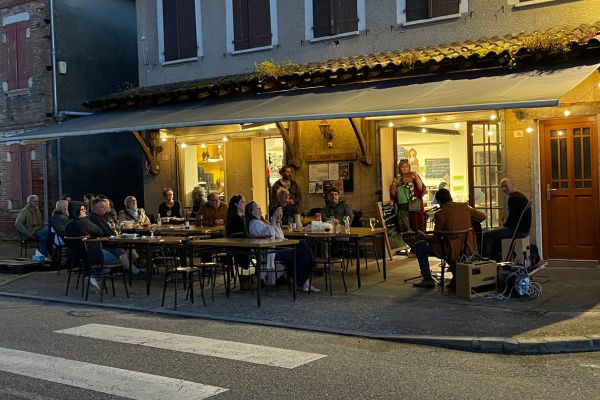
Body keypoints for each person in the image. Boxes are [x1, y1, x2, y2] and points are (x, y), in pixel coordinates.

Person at [412, 188, 487, 289]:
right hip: (467, 246)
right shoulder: (464, 207)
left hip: (449, 248)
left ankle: (428, 280)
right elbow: (483, 216)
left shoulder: (440, 214)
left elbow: (436, 239)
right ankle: (456, 276)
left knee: (419, 246)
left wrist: (424, 236)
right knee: (450, 246)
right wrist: (469, 224)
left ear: (439, 201)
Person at [246, 201, 319, 292]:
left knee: (302, 246)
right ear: (251, 212)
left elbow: (280, 236)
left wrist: (277, 221)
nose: (260, 208)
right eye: (257, 207)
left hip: (274, 249)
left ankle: (304, 279)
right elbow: (270, 236)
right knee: (302, 247)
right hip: (269, 252)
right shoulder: (254, 224)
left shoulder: (261, 222)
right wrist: (273, 218)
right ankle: (305, 279)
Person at [481, 177, 531, 260]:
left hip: (518, 231)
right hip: (523, 230)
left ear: (512, 185)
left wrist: (504, 224)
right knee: (493, 233)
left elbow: (512, 218)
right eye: (501, 186)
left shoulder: (513, 198)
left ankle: (486, 260)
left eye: (505, 186)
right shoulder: (520, 196)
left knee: (485, 235)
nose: (503, 189)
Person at [88, 198, 141, 276]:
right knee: (120, 250)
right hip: (101, 245)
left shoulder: (101, 217)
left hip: (107, 242)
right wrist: (114, 235)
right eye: (102, 207)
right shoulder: (94, 218)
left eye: (105, 206)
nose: (105, 208)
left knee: (129, 248)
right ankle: (134, 271)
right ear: (95, 208)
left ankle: (129, 269)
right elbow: (104, 233)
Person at [390, 159, 427, 232]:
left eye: (406, 166)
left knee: (416, 228)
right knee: (406, 230)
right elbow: (394, 195)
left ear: (409, 167)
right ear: (399, 168)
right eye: (402, 167)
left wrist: (416, 176)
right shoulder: (397, 179)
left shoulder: (414, 177)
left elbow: (421, 189)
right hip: (403, 208)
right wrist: (395, 185)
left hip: (414, 207)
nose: (405, 168)